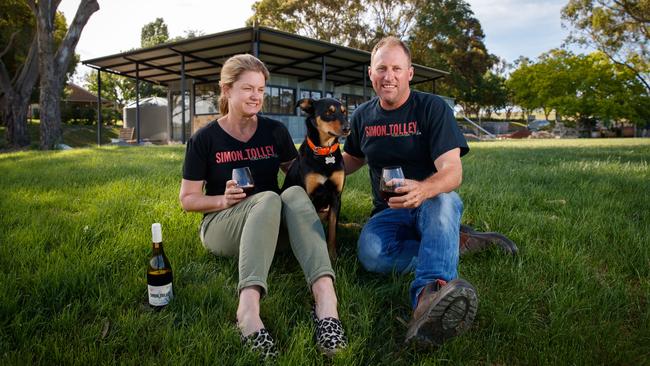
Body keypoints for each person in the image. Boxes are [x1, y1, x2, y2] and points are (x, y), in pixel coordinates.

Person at [179, 54, 347, 359]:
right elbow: (187, 199)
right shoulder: (204, 139)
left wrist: (317, 199)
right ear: (226, 90)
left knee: (293, 193)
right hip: (223, 224)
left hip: (271, 225)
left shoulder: (275, 131)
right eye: (248, 89)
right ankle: (247, 311)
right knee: (269, 197)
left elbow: (297, 174)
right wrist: (221, 199)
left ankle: (326, 302)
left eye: (260, 89)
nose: (256, 96)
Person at [342, 37, 480, 347]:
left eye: (396, 68)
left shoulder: (432, 108)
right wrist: (309, 163)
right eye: (381, 69)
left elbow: (452, 171)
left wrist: (423, 188)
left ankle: (427, 299)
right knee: (372, 255)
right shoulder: (363, 116)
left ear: (410, 73)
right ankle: (449, 245)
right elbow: (349, 161)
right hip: (388, 212)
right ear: (370, 73)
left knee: (444, 201)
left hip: (430, 203)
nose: (388, 76)